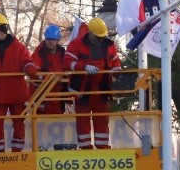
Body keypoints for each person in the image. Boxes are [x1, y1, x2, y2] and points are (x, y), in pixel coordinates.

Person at [0, 13, 39, 152]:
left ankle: (17, 150)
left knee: (18, 122)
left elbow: (27, 62)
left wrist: (30, 68)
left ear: (3, 29)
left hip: (17, 94)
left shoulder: (18, 47)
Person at [63, 18, 121, 149]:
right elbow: (67, 63)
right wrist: (84, 67)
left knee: (102, 120)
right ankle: (85, 148)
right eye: (97, 37)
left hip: (102, 89)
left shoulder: (108, 44)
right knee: (83, 121)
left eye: (102, 37)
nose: (100, 40)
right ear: (89, 33)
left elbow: (115, 60)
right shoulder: (76, 44)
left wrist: (117, 69)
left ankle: (103, 147)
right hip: (82, 91)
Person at [31, 24, 67, 115]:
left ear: (58, 40)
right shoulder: (38, 53)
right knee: (40, 124)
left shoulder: (62, 53)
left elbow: (68, 67)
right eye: (48, 39)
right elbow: (33, 72)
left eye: (53, 39)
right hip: (42, 95)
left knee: (58, 119)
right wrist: (49, 77)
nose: (50, 42)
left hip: (59, 95)